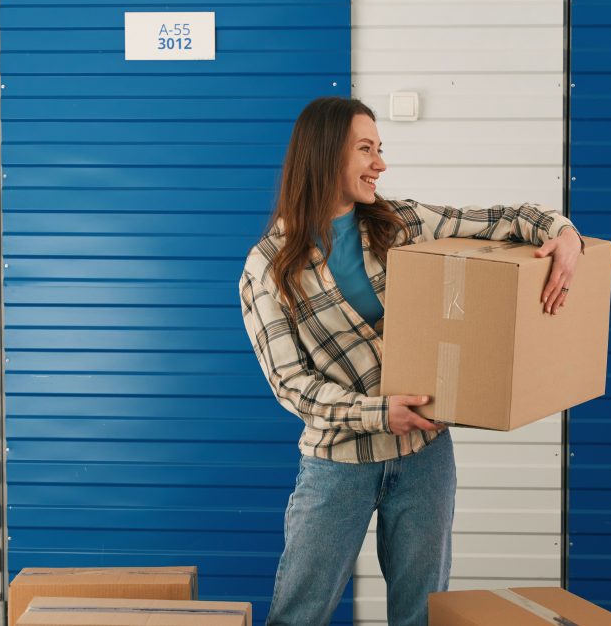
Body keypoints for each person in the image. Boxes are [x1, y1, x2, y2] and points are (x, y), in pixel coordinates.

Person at [238, 97, 584, 626]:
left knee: (419, 616)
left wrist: (564, 234)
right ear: (325, 154)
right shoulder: (268, 266)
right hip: (339, 463)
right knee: (298, 615)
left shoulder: (398, 223)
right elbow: (291, 385)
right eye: (366, 149)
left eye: (381, 149)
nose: (381, 163)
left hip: (424, 454)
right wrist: (381, 414)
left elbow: (502, 221)